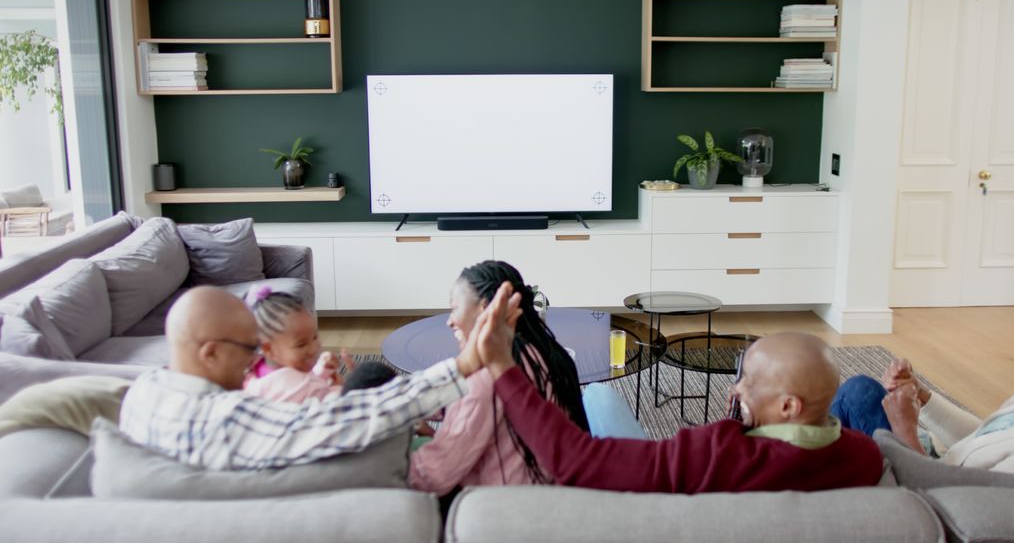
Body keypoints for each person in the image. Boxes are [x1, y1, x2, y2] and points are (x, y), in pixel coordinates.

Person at [119, 285, 520, 471]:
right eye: (248, 350)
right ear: (210, 352)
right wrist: (465, 364)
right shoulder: (227, 419)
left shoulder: (143, 391)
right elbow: (353, 417)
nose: (254, 361)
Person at [474, 320, 884, 493]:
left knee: (597, 395)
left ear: (789, 406)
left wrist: (502, 368)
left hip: (660, 500)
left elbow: (573, 459)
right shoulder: (864, 456)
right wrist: (749, 416)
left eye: (747, 380)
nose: (736, 388)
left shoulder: (715, 452)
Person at [408, 261, 590, 496]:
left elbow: (434, 476)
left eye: (454, 308)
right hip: (556, 492)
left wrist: (382, 468)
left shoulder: (487, 375)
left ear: (485, 309)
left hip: (503, 509)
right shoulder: (545, 352)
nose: (450, 320)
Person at [831, 309, 1014, 476]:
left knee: (855, 396)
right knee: (860, 393)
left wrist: (905, 430)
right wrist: (921, 395)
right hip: (935, 458)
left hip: (920, 487)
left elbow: (951, 500)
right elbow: (981, 436)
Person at [242, 286, 353, 403]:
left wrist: (323, 370)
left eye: (315, 337)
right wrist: (339, 387)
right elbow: (325, 403)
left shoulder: (265, 370)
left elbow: (305, 379)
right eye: (301, 344)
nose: (314, 348)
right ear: (269, 349)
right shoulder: (291, 388)